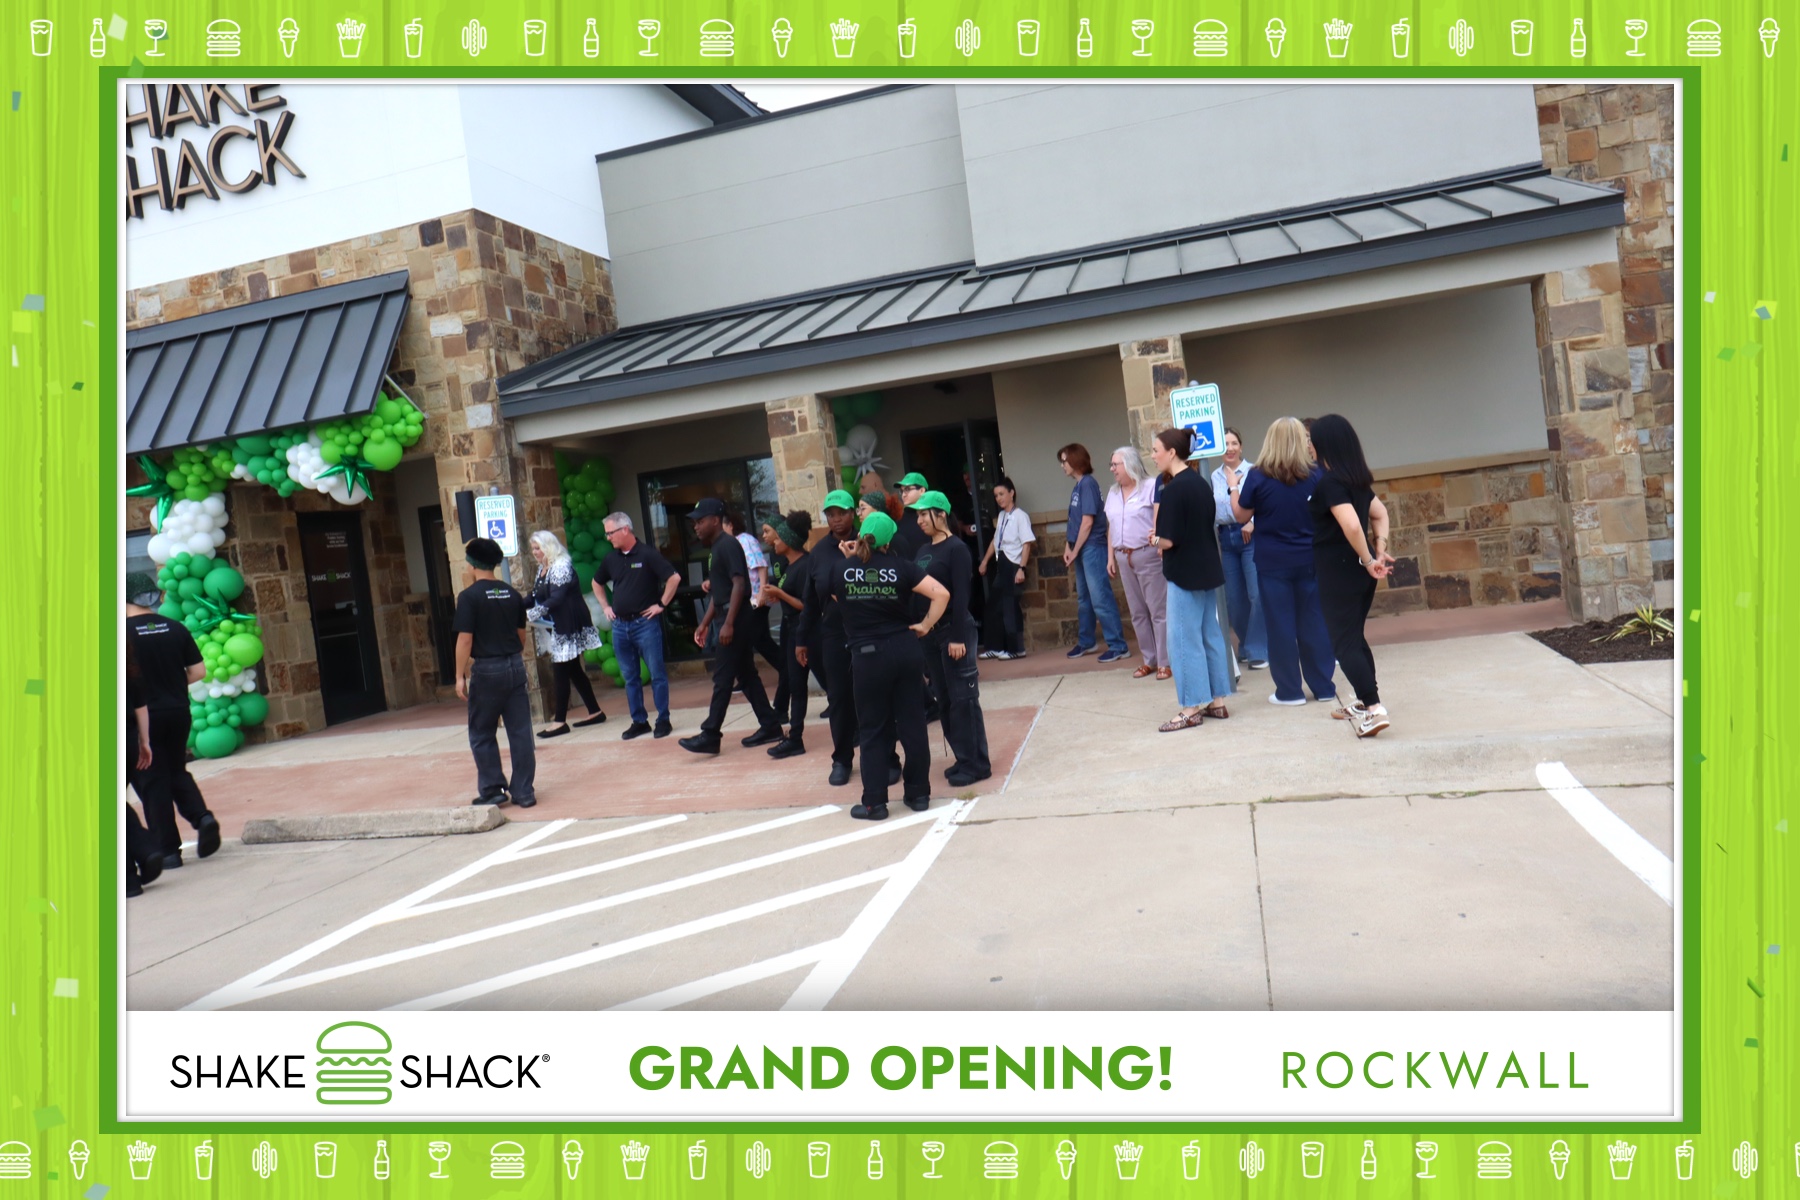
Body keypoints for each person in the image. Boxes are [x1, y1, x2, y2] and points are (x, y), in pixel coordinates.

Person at [827, 511, 950, 820]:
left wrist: (851, 565)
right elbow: (941, 594)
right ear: (889, 540)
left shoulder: (841, 569)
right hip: (905, 650)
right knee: (912, 724)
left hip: (868, 656)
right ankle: (919, 794)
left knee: (872, 729)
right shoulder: (902, 568)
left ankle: (874, 802)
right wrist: (924, 625)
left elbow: (838, 599)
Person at [1232, 418, 1339, 707]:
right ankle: (1324, 687)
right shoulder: (1316, 475)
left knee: (1280, 627)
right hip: (1310, 559)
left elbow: (1241, 516)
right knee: (1314, 623)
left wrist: (1233, 488)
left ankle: (1289, 691)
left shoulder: (1257, 476)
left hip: (1273, 562)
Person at [125, 571, 221, 868]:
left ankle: (168, 850)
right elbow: (199, 672)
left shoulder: (121, 634)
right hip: (178, 710)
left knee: (152, 781)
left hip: (144, 716)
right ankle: (202, 817)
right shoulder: (175, 627)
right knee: (177, 770)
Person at [1307, 414, 1394, 738]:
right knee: (1354, 637)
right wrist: (1379, 550)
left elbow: (1353, 525)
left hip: (1340, 572)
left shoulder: (1330, 483)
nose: (1309, 446)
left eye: (1311, 441)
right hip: (1358, 573)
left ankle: (1374, 708)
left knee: (1343, 644)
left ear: (1324, 444)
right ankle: (1363, 699)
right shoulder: (1355, 481)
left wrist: (1371, 557)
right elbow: (1380, 513)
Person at [681, 497, 784, 754]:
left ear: (715, 520)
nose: (696, 526)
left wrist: (728, 624)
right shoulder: (716, 548)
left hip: (735, 620)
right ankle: (770, 725)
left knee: (723, 677)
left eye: (700, 521)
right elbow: (720, 591)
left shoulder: (727, 545)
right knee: (746, 675)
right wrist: (704, 623)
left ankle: (711, 734)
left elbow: (740, 584)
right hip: (727, 617)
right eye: (694, 522)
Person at [1148, 428, 1234, 732]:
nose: (1153, 455)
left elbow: (1169, 540)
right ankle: (1217, 701)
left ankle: (1190, 707)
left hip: (1184, 573)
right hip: (1207, 569)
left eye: (1156, 449)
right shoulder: (1200, 483)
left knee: (1184, 640)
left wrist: (1154, 538)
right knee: (1209, 634)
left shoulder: (1172, 490)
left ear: (1172, 452)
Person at [795, 490, 883, 786]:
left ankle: (886, 757)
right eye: (830, 514)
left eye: (842, 513)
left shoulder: (869, 540)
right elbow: (810, 600)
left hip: (867, 631)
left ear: (853, 514)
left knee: (873, 696)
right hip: (832, 635)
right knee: (839, 699)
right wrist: (801, 639)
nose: (836, 519)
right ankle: (842, 759)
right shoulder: (818, 552)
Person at [909, 491, 991, 785]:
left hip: (954, 631)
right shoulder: (921, 552)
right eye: (917, 515)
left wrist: (957, 637)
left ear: (941, 514)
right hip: (930, 634)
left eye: (923, 514)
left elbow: (961, 595)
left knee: (963, 699)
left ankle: (977, 764)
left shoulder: (957, 549)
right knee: (944, 699)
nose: (918, 520)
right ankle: (962, 757)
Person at [453, 538, 536, 808]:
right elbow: (521, 637)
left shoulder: (468, 597)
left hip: (487, 670)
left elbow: (465, 640)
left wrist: (459, 676)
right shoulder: (511, 594)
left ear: (472, 564)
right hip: (514, 665)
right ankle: (524, 791)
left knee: (482, 731)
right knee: (520, 732)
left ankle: (492, 788)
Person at [593, 512, 681, 739]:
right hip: (620, 626)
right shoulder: (611, 559)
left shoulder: (647, 554)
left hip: (645, 624)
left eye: (610, 533)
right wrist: (605, 607)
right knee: (630, 676)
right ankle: (639, 721)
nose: (608, 538)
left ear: (625, 530)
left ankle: (663, 719)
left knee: (657, 673)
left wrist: (661, 604)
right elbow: (596, 582)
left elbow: (674, 578)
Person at [756, 510, 824, 759]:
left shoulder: (805, 565)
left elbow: (808, 605)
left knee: (831, 684)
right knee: (797, 685)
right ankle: (795, 738)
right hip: (793, 629)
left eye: (777, 538)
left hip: (807, 630)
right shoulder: (790, 565)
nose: (773, 541)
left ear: (790, 542)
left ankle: (856, 728)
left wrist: (781, 595)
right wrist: (779, 596)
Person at [526, 530, 605, 738]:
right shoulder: (543, 569)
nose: (535, 553)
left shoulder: (561, 566)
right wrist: (512, 605)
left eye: (538, 548)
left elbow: (558, 597)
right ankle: (595, 711)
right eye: (533, 549)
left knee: (560, 670)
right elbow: (534, 596)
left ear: (549, 547)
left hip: (568, 623)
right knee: (573, 671)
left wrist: (535, 611)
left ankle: (560, 721)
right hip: (556, 623)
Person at [1057, 443, 1129, 663]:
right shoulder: (1079, 486)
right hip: (1081, 548)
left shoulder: (1087, 484)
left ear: (1076, 460)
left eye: (1064, 460)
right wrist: (1069, 547)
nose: (1062, 466)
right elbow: (1076, 521)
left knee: (1100, 597)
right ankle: (1087, 641)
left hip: (1092, 547)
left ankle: (1118, 645)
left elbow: (1088, 522)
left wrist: (1075, 549)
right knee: (1085, 599)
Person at [1105, 446, 1170, 680]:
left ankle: (1165, 661)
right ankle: (1149, 660)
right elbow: (1111, 526)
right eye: (1112, 465)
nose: (1112, 469)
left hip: (1147, 554)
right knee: (1137, 612)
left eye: (1116, 464)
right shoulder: (1112, 493)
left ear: (1130, 464)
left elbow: (1161, 517)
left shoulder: (1150, 487)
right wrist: (1110, 556)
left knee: (1158, 609)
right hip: (1123, 556)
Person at [1211, 428, 1268, 670]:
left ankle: (1258, 649)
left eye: (1234, 443)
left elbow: (1265, 503)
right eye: (1225, 444)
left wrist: (1252, 523)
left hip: (1250, 537)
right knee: (1234, 600)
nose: (1230, 448)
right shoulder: (1212, 476)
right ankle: (1245, 645)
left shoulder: (1254, 471)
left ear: (1241, 447)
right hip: (1226, 538)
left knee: (1256, 594)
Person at [724, 508, 785, 708]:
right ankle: (747, 676)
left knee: (760, 640)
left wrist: (760, 594)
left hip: (755, 601)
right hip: (748, 601)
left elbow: (760, 566)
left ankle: (786, 669)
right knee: (754, 640)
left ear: (730, 525)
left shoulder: (745, 540)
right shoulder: (732, 544)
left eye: (723, 525)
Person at [124, 635, 163, 897]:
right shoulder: (124, 664)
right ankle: (142, 854)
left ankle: (130, 872)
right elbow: (140, 707)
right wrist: (144, 742)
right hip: (125, 740)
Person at [978, 477, 1033, 660]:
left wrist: (1021, 569)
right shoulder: (1001, 516)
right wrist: (985, 561)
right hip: (1001, 563)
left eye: (1002, 494)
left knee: (1010, 608)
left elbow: (1026, 544)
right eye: (996, 496)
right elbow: (995, 540)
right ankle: (995, 646)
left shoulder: (1020, 516)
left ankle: (1016, 649)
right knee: (994, 606)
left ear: (1011, 493)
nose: (999, 498)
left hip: (1014, 564)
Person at [891, 471, 931, 557]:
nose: (903, 495)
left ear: (922, 490)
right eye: (901, 491)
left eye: (908, 489)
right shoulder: (899, 517)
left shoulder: (933, 515)